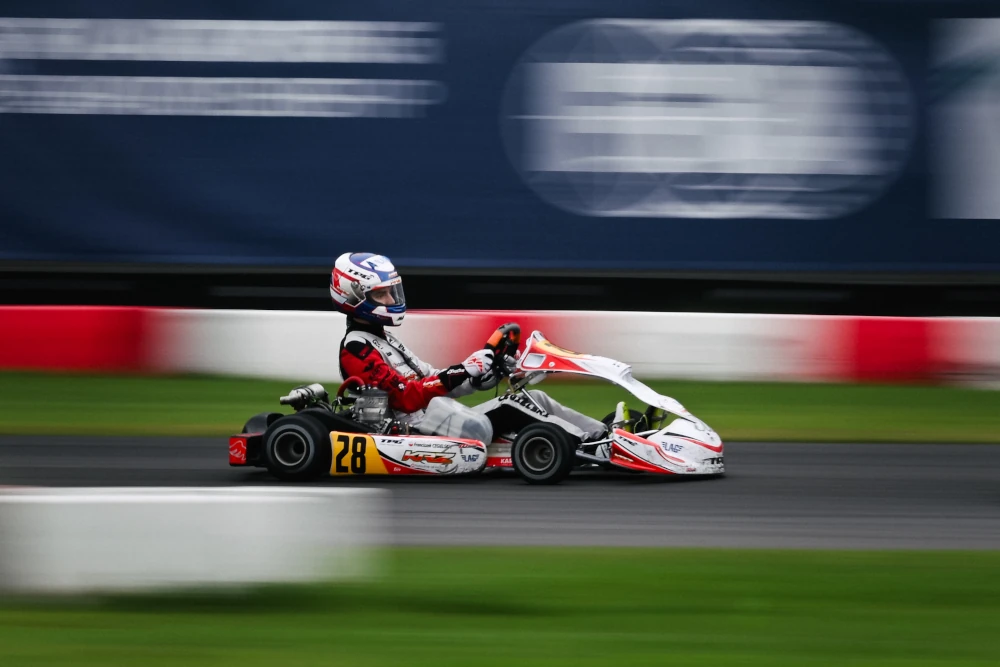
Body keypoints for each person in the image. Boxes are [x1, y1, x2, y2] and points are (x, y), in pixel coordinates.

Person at [330, 251, 608, 443]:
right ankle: (588, 445)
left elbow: (430, 378)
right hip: (414, 433)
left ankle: (603, 433)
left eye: (391, 292)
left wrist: (476, 379)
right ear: (353, 296)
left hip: (437, 417)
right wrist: (462, 370)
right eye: (381, 294)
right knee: (513, 406)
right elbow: (406, 398)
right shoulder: (356, 349)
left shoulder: (384, 339)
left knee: (536, 398)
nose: (391, 300)